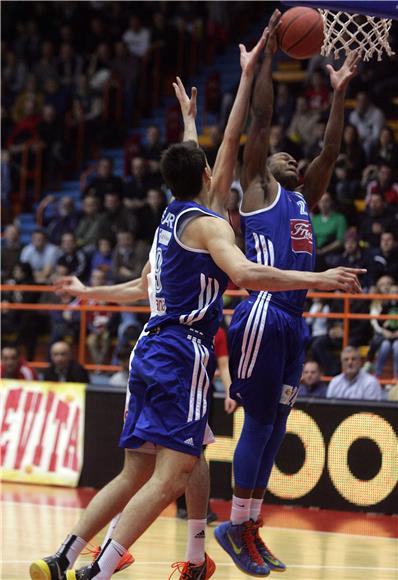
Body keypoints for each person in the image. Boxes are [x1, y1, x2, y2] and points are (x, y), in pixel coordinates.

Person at [30, 20, 363, 580]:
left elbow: (142, 285)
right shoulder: (210, 225)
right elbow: (248, 268)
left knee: (154, 464)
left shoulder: (168, 219)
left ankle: (78, 554)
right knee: (172, 472)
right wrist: (322, 277)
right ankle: (100, 568)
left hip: (148, 347)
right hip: (184, 351)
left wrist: (89, 293)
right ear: (210, 176)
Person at [214, 23, 361, 576]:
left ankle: (248, 525)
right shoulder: (258, 188)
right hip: (262, 312)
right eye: (283, 158)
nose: (291, 159)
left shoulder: (304, 197)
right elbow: (261, 120)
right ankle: (234, 523)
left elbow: (329, 147)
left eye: (292, 161)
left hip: (295, 322)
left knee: (277, 425)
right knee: (256, 422)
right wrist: (269, 59)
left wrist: (340, 92)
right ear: (264, 168)